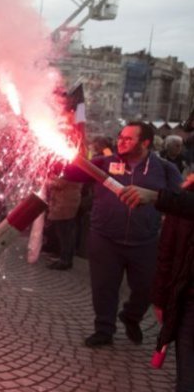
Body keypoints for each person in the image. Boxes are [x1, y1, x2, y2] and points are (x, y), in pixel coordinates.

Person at [66, 121, 182, 347]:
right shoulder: (104, 163)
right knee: (104, 287)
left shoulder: (165, 169)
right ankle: (104, 329)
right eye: (121, 137)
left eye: (129, 138)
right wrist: (66, 160)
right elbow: (72, 173)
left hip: (145, 241)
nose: (121, 141)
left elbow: (179, 199)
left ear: (145, 142)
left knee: (146, 287)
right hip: (105, 238)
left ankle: (131, 316)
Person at [120, 175, 194, 392]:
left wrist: (156, 196)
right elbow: (169, 245)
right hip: (190, 301)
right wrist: (162, 295)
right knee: (188, 390)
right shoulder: (187, 191)